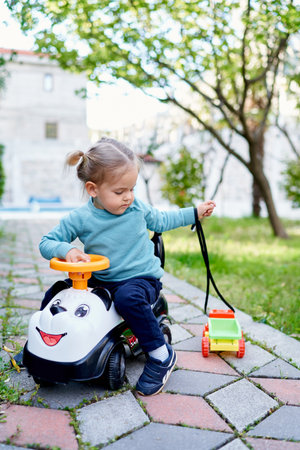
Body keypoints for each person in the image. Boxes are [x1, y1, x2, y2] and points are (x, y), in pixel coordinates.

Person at [39, 137, 216, 396]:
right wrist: (69, 250)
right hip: (100, 280)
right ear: (93, 189)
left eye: (132, 189)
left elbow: (164, 220)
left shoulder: (137, 209)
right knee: (59, 294)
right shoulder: (81, 218)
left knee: (127, 297)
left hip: (140, 279)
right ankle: (47, 344)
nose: (128, 197)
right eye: (120, 192)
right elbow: (47, 242)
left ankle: (160, 355)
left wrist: (195, 212)